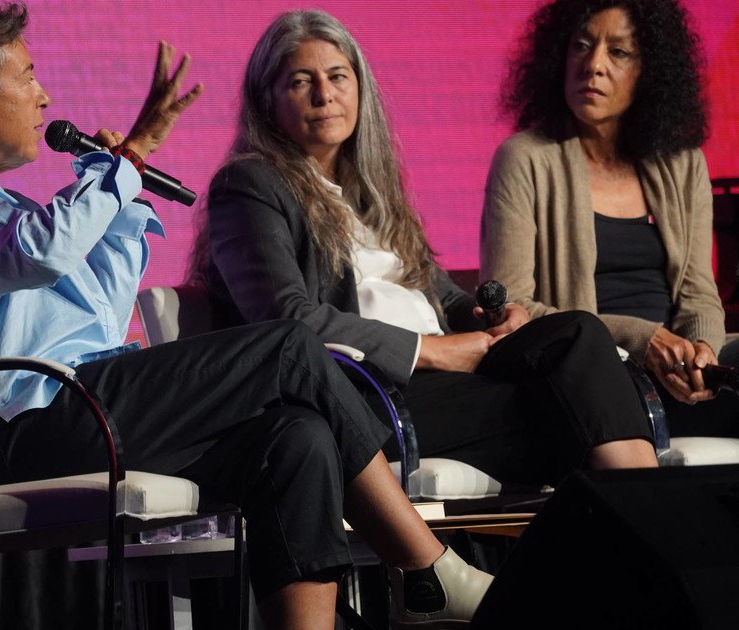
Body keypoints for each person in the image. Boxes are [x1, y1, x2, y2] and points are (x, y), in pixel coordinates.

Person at [0, 1, 491, 627]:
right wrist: (124, 163)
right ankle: (425, 567)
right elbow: (37, 253)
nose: (44, 96)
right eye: (27, 77)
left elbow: (103, 313)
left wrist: (118, 192)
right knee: (288, 347)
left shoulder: (1, 208)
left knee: (296, 440)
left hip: (68, 411)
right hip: (7, 438)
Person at [190, 9, 658, 500]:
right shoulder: (249, 186)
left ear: (359, 88)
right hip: (367, 397)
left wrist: (488, 316)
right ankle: (650, 524)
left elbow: (439, 291)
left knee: (573, 334)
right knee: (563, 401)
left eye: (337, 77)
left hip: (448, 379)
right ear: (267, 100)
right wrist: (430, 351)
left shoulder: (370, 191)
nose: (324, 95)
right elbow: (288, 320)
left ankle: (642, 519)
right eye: (300, 82)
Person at [482, 0, 739, 433]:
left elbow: (698, 293)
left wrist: (700, 355)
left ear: (650, 71)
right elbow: (515, 309)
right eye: (581, 46)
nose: (593, 64)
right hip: (585, 371)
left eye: (617, 52)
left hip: (674, 368)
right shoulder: (524, 159)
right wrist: (642, 339)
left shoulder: (683, 163)